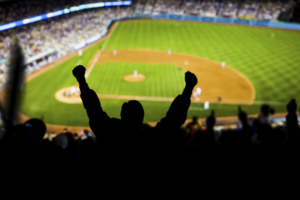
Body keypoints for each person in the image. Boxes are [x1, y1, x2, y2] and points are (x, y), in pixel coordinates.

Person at [72, 65, 198, 157]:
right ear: (142, 118)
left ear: (121, 115)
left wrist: (81, 80)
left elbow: (94, 110)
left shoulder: (109, 132)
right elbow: (172, 122)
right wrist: (188, 89)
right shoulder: (151, 139)